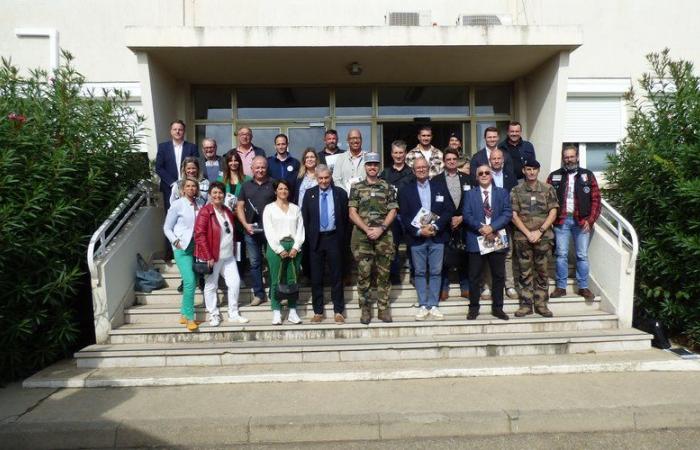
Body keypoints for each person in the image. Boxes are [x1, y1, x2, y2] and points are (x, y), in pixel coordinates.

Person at [399, 157, 454, 321]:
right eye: (418, 168)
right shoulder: (406, 190)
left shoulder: (440, 187)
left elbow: (448, 210)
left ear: (429, 168)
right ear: (413, 170)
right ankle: (423, 304)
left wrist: (436, 227)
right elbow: (404, 215)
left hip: (437, 236)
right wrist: (418, 231)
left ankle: (434, 305)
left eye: (424, 167)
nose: (421, 169)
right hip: (417, 238)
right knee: (420, 272)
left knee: (436, 272)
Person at [546, 145, 601, 301]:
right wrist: (549, 220)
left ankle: (583, 287)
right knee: (561, 254)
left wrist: (590, 220)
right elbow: (547, 200)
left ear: (577, 157)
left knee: (582, 255)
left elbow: (596, 200)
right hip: (561, 221)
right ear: (563, 158)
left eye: (571, 156)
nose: (569, 160)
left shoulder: (588, 176)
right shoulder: (554, 176)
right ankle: (561, 287)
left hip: (581, 221)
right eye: (566, 157)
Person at [348, 153, 398, 324]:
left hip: (384, 237)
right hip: (363, 238)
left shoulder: (387, 187)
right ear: (365, 166)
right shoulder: (356, 187)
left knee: (384, 275)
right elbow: (352, 212)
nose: (372, 167)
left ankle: (383, 309)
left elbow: (393, 210)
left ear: (379, 166)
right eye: (369, 164)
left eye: (375, 164)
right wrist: (367, 229)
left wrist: (381, 228)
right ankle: (365, 310)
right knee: (364, 275)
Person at [194, 182, 249, 326]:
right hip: (213, 256)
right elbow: (199, 235)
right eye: (215, 193)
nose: (218, 195)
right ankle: (214, 314)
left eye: (220, 193)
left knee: (235, 283)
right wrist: (207, 256)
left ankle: (233, 313)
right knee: (211, 285)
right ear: (210, 195)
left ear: (224, 195)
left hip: (228, 255)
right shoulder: (205, 212)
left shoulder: (227, 211)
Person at [463, 164, 512, 321]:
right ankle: (473, 308)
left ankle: (498, 308)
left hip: (496, 236)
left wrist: (492, 227)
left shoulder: (502, 193)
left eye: (487, 172)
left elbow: (507, 213)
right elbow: (466, 214)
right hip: (476, 238)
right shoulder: (470, 194)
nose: (484, 175)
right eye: (481, 173)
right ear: (476, 177)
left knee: (498, 275)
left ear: (491, 175)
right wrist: (481, 228)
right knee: (474, 276)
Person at [301, 165, 349, 324]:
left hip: (334, 238)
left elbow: (345, 219)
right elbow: (305, 218)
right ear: (316, 178)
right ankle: (318, 311)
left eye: (326, 178)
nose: (323, 181)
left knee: (337, 276)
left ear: (331, 177)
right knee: (316, 277)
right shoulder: (309, 194)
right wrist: (309, 238)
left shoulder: (340, 194)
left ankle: (338, 311)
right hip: (316, 240)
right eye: (320, 178)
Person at [511, 159, 559, 317]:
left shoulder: (548, 189)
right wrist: (528, 233)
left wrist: (540, 231)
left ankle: (541, 304)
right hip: (523, 238)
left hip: (543, 237)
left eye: (534, 169)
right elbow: (513, 215)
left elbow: (553, 212)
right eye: (528, 169)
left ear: (538, 171)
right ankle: (525, 305)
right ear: (524, 171)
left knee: (542, 272)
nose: (531, 172)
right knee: (524, 272)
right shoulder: (516, 190)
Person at [163, 177, 205, 331]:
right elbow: (167, 227)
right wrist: (175, 241)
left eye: (194, 186)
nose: (191, 188)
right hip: (182, 248)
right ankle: (189, 318)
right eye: (188, 186)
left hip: (198, 247)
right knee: (189, 281)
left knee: (194, 280)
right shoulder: (177, 205)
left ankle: (183, 313)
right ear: (183, 189)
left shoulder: (200, 204)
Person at [263, 179, 305, 325]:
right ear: (275, 191)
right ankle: (276, 311)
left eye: (286, 188)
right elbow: (269, 231)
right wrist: (279, 249)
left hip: (294, 246)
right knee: (276, 279)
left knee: (293, 279)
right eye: (280, 188)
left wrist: (296, 246)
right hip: (276, 247)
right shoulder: (269, 208)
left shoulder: (295, 209)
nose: (283, 191)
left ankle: (293, 311)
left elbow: (300, 229)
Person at [432, 148, 472, 300]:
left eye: (454, 159)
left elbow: (472, 202)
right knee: (444, 258)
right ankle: (444, 288)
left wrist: (462, 217)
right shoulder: (436, 180)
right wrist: (447, 219)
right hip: (444, 225)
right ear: (444, 161)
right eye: (448, 159)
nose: (451, 161)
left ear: (457, 161)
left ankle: (465, 287)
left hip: (464, 223)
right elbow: (433, 205)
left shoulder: (467, 179)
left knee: (464, 256)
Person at [236, 156, 276, 306]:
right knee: (254, 263)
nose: (260, 170)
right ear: (251, 169)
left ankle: (273, 292)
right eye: (257, 167)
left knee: (272, 262)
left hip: (270, 231)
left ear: (267, 168)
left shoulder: (274, 184)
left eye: (263, 167)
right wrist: (245, 224)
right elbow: (239, 206)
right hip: (251, 231)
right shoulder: (245, 186)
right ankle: (259, 294)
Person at [379, 140, 415, 285]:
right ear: (391, 154)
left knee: (412, 245)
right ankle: (394, 275)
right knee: (391, 246)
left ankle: (414, 274)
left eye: (401, 153)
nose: (398, 155)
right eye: (396, 153)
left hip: (408, 214)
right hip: (391, 215)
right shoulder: (385, 173)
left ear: (405, 154)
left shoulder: (412, 173)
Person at [489, 148, 518, 300]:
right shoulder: (484, 175)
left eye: (499, 158)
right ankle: (488, 286)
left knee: (507, 254)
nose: (497, 161)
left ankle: (510, 285)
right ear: (490, 160)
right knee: (488, 253)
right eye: (494, 158)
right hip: (489, 223)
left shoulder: (511, 177)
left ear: (503, 160)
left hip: (507, 222)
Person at [155, 120, 199, 211]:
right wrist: (172, 183)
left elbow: (196, 166)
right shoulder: (163, 147)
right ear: (171, 131)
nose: (177, 131)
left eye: (180, 129)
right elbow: (159, 168)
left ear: (184, 131)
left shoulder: (192, 147)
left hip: (188, 186)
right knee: (171, 213)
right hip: (169, 187)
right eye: (175, 129)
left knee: (189, 213)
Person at [333, 128, 366, 193]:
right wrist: (347, 192)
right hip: (345, 198)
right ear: (348, 140)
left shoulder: (367, 157)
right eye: (352, 138)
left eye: (358, 138)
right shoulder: (341, 158)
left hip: (364, 198)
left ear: (361, 140)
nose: (355, 141)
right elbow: (336, 180)